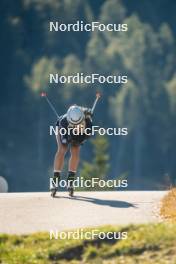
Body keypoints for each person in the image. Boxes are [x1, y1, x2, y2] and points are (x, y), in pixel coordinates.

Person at [51, 105, 93, 196]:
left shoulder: (88, 123)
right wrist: (69, 139)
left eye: (79, 125)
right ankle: (55, 179)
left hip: (79, 134)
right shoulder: (64, 121)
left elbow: (85, 136)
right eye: (75, 125)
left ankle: (70, 180)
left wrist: (77, 140)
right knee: (62, 149)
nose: (77, 127)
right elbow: (64, 140)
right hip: (64, 130)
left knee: (75, 151)